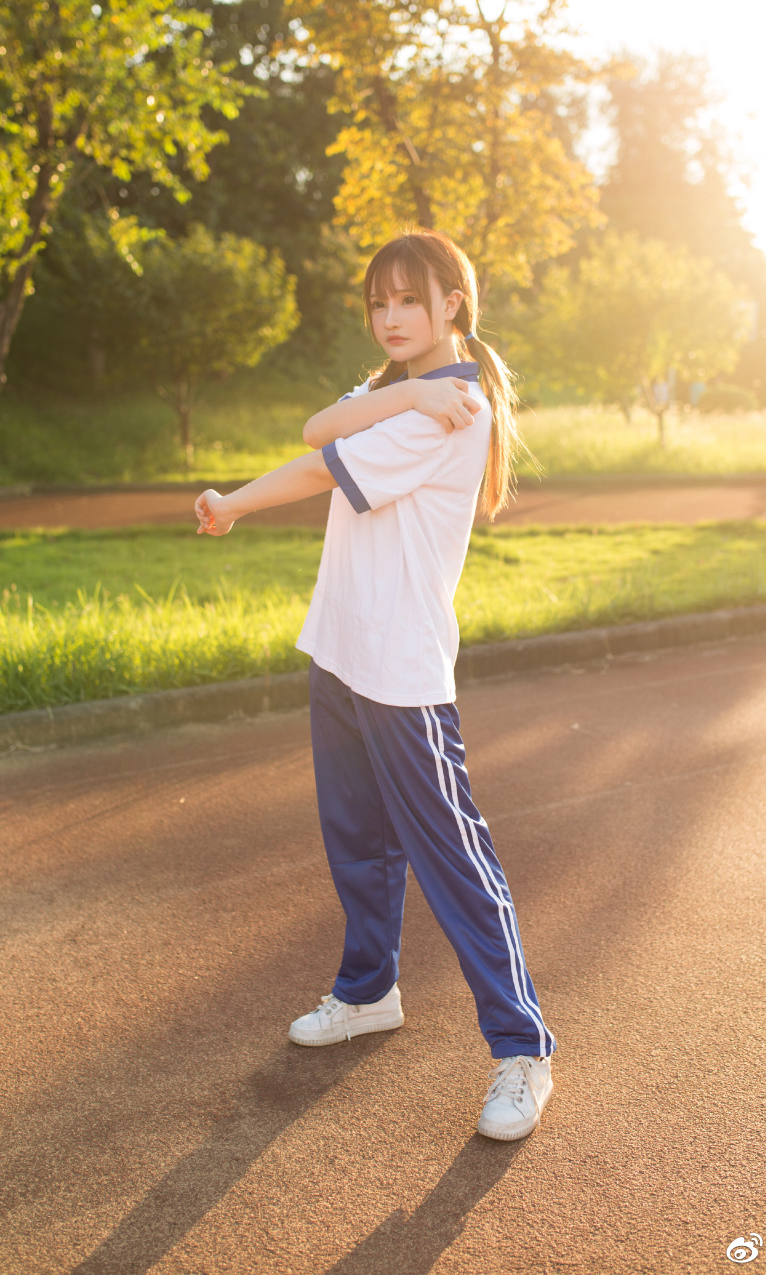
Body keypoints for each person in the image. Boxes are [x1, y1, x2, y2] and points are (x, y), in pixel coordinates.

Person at [195, 229, 555, 1140]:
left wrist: (241, 499)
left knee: (454, 860)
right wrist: (232, 504)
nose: (391, 318)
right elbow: (323, 431)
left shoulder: (451, 407)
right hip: (343, 649)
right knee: (356, 841)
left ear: (452, 307)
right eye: (377, 303)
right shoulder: (396, 392)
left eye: (409, 300)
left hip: (401, 670)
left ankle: (523, 1050)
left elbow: (321, 447)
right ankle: (368, 990)